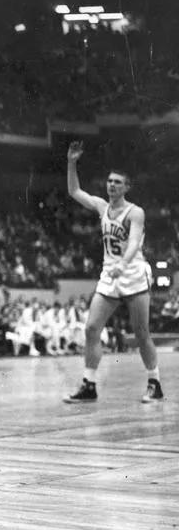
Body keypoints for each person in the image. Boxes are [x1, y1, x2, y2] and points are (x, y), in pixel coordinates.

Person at [63, 141, 163, 404]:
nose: (112, 185)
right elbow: (74, 190)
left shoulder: (135, 212)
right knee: (91, 328)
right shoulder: (100, 206)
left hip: (132, 272)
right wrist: (72, 162)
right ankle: (89, 385)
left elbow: (134, 242)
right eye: (109, 181)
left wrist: (123, 263)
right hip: (110, 274)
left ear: (126, 187)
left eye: (118, 182)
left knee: (141, 332)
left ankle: (154, 382)